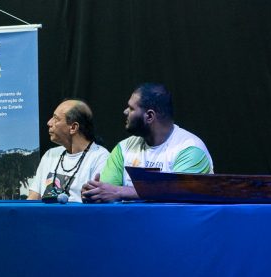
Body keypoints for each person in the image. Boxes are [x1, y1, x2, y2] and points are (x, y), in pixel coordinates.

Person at [81, 83, 212, 203]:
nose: (125, 111)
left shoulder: (190, 149)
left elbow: (178, 193)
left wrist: (119, 191)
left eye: (131, 109)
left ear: (149, 116)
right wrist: (93, 193)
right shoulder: (123, 148)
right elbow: (105, 192)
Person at [27, 99, 109, 203]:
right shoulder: (50, 155)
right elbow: (33, 197)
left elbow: (96, 205)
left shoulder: (100, 157)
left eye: (56, 119)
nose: (49, 123)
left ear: (73, 127)